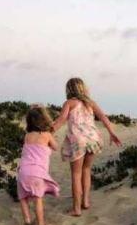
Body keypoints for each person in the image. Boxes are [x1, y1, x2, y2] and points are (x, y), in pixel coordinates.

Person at [51, 77, 121, 216]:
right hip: (93, 138)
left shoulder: (69, 103)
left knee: (76, 174)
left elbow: (61, 120)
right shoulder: (91, 103)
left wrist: (48, 131)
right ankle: (86, 201)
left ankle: (76, 209)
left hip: (78, 140)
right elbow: (104, 118)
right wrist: (112, 133)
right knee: (87, 170)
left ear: (69, 89)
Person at [17, 105, 60, 225]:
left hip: (23, 171)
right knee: (37, 199)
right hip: (36, 173)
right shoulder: (46, 135)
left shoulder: (27, 136)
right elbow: (55, 147)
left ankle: (27, 221)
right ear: (44, 119)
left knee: (23, 198)